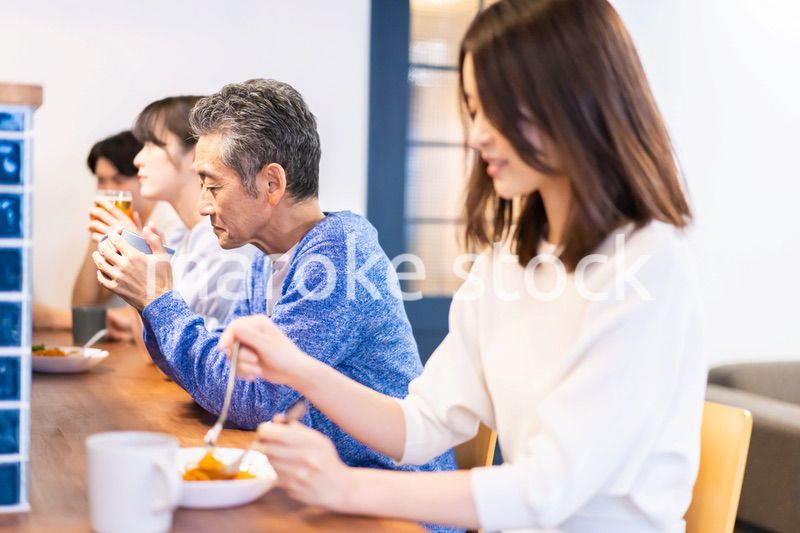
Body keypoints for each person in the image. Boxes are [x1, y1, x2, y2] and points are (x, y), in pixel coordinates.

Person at [218, 1, 706, 531]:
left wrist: (345, 486)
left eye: (497, 109)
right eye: (474, 109)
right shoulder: (510, 257)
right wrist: (295, 367)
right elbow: (421, 424)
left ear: (575, 103)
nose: (476, 135)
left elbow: (545, 489)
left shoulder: (648, 263)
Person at [91, 79, 458, 482]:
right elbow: (229, 380)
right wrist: (148, 300)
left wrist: (158, 299)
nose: (203, 205)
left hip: (392, 501)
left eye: (213, 186)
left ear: (272, 183)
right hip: (325, 482)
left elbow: (255, 400)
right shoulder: (269, 259)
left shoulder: (338, 257)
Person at [130, 96, 257, 329]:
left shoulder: (222, 243)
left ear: (196, 152)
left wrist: (136, 267)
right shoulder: (183, 237)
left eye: (152, 144)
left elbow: (172, 346)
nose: (138, 159)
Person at [67, 131, 177, 339]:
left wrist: (51, 318)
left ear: (142, 176)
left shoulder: (167, 225)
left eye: (118, 180)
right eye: (101, 180)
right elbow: (83, 306)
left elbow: (161, 306)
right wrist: (97, 236)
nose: (107, 190)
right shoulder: (118, 230)